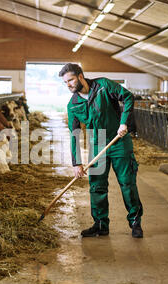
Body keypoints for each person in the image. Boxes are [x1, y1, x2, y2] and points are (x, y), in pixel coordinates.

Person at [59, 63, 143, 238]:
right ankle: (100, 225)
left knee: (127, 183)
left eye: (71, 80)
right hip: (97, 145)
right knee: (97, 186)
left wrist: (124, 122)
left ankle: (135, 222)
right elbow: (74, 134)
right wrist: (77, 163)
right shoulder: (73, 105)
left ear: (80, 76)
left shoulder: (103, 86)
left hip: (119, 140)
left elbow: (127, 97)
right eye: (65, 82)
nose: (68, 85)